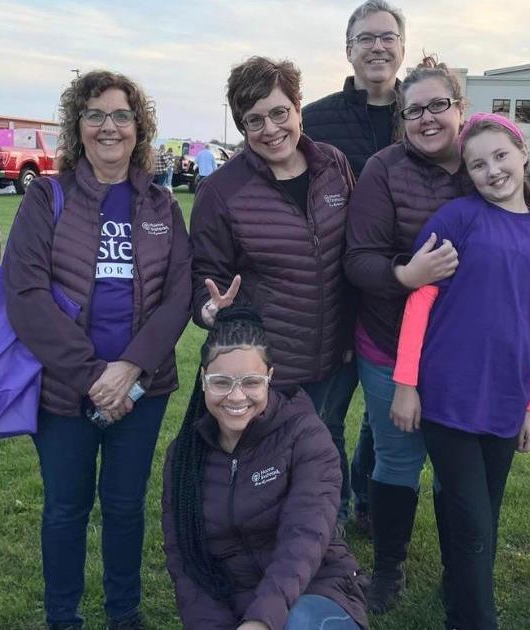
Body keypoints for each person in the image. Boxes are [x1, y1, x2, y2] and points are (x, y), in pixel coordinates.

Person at [3, 69, 192, 630]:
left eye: (121, 115)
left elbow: (179, 294)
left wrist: (130, 368)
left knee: (125, 506)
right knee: (66, 508)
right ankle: (63, 617)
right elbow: (26, 294)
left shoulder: (161, 205)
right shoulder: (47, 196)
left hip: (143, 388)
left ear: (139, 127)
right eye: (95, 115)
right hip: (64, 388)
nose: (109, 127)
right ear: (77, 126)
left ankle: (123, 615)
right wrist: (93, 377)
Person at [392, 113, 530, 630]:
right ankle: (474, 618)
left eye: (501, 156)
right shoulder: (457, 219)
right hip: (448, 395)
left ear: (524, 154)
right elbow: (420, 301)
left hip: (505, 402)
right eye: (478, 164)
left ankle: (456, 584)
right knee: (474, 521)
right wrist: (406, 384)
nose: (492, 170)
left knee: (482, 514)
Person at [190, 56, 359, 528]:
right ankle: (259, 547)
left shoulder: (333, 166)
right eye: (254, 120)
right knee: (266, 463)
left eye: (279, 112)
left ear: (298, 107)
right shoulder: (221, 191)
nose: (270, 128)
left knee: (326, 444)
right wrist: (210, 309)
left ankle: (331, 536)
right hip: (269, 362)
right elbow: (202, 277)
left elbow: (354, 250)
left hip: (333, 355)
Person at [344, 55, 476, 614]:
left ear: (460, 108)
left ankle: (460, 569)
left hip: (468, 353)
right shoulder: (383, 169)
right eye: (414, 109)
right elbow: (358, 259)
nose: (426, 118)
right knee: (396, 460)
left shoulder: (488, 160)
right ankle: (388, 568)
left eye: (437, 106)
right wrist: (405, 275)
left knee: (457, 468)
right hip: (389, 343)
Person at [161, 306, 368, 630]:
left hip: (314, 590)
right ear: (202, 380)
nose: (236, 396)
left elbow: (305, 537)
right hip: (234, 602)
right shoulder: (184, 457)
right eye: (221, 382)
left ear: (269, 377)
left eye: (251, 382)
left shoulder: (306, 435)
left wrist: (261, 621)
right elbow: (185, 563)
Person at [303, 0, 408, 536]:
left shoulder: (422, 114)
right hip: (337, 294)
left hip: (406, 296)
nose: (378, 46)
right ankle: (335, 511)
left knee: (386, 412)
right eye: (366, 38)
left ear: (402, 48)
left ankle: (369, 495)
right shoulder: (316, 119)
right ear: (348, 50)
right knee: (328, 414)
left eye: (388, 37)